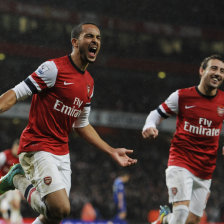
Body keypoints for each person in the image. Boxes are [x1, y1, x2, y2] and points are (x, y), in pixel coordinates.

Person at [0, 22, 137, 224]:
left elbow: (81, 125)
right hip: (37, 146)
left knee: (54, 217)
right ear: (75, 42)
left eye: (98, 38)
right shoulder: (53, 69)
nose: (95, 41)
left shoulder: (89, 83)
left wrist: (111, 150)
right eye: (89, 36)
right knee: (61, 207)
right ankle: (18, 179)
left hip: (61, 152)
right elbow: (16, 93)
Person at [142, 54, 224, 224]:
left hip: (205, 169)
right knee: (180, 214)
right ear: (202, 71)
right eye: (214, 68)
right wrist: (149, 126)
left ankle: (163, 220)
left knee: (192, 220)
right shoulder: (182, 96)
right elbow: (156, 114)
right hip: (181, 162)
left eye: (222, 71)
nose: (218, 73)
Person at [0, 139, 23, 224]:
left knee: (15, 204)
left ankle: (15, 221)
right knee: (4, 207)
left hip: (12, 187)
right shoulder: (4, 155)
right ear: (13, 147)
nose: (17, 151)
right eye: (16, 148)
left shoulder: (22, 160)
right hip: (1, 184)